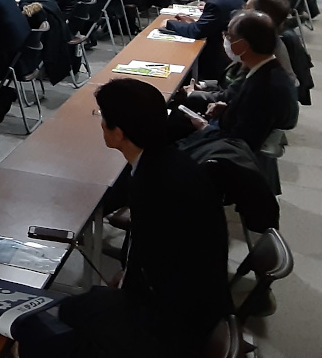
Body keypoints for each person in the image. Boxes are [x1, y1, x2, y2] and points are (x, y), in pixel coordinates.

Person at [22, 79, 229, 358]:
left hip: (172, 325)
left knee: (42, 332)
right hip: (188, 303)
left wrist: (129, 285)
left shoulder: (155, 184)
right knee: (75, 307)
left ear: (119, 132)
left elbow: (161, 268)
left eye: (103, 119)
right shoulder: (166, 161)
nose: (100, 124)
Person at [178, 10, 297, 153]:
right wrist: (228, 109)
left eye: (229, 36)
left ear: (243, 44)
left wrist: (205, 127)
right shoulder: (267, 69)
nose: (226, 39)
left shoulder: (263, 87)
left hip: (229, 151)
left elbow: (240, 142)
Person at [162, 0, 245, 80]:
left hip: (220, 59)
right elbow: (206, 26)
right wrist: (193, 23)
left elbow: (197, 32)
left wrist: (169, 23)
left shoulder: (215, 4)